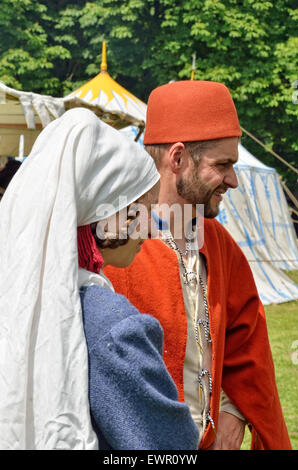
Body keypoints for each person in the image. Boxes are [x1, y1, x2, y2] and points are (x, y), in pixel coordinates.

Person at [104, 80, 292, 450]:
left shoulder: (219, 245)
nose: (233, 180)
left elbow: (247, 346)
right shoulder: (115, 245)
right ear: (177, 159)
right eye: (222, 165)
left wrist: (233, 409)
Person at [0, 107, 199, 450]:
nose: (150, 230)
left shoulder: (11, 301)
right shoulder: (115, 328)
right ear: (106, 214)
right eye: (141, 211)